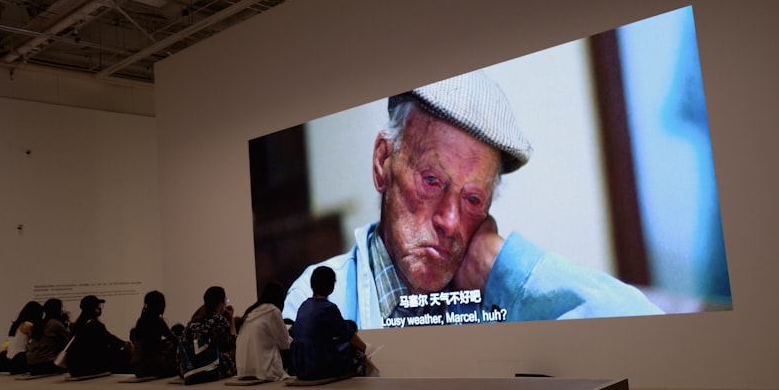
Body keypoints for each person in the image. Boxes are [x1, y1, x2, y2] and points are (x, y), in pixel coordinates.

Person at [284, 71, 663, 329]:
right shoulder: (321, 294)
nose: (450, 221)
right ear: (383, 160)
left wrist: (504, 268)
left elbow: (644, 325)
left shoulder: (497, 295)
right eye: (431, 180)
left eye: (473, 199)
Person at [290, 266, 369, 380]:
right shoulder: (328, 308)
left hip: (300, 365)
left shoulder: (304, 305)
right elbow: (348, 335)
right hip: (316, 364)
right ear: (332, 287)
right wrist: (365, 348)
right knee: (354, 350)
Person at [178, 286, 237, 384]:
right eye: (226, 300)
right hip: (205, 367)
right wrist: (231, 319)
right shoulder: (219, 320)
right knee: (230, 354)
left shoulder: (194, 320)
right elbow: (233, 343)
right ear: (220, 303)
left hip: (186, 368)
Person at [235, 282, 292, 381]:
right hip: (263, 369)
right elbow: (285, 343)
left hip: (243, 369)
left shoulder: (251, 311)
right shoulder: (273, 311)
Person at [66, 295, 132, 377]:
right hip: (88, 366)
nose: (101, 308)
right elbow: (110, 339)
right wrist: (125, 344)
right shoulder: (94, 325)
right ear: (95, 308)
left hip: (75, 367)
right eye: (99, 306)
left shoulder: (78, 324)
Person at [131, 290, 178, 379]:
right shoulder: (158, 321)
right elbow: (174, 339)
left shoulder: (141, 320)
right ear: (160, 305)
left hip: (137, 366)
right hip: (148, 365)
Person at [26, 299, 71, 376]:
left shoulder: (40, 323)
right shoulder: (55, 324)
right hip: (46, 363)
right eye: (62, 307)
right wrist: (70, 322)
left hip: (31, 364)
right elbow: (69, 340)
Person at [2, 301, 43, 374]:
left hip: (9, 358)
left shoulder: (16, 324)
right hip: (19, 359)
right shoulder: (28, 325)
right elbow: (35, 341)